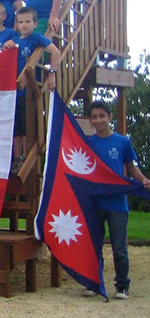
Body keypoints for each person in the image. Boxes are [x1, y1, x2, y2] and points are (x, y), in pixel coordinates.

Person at [84, 101, 150, 300]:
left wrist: (143, 180)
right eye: (94, 117)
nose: (98, 120)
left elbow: (130, 168)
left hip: (117, 203)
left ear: (110, 117)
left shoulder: (122, 142)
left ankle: (122, 285)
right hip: (95, 202)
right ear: (90, 120)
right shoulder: (88, 143)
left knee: (119, 248)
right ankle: (94, 282)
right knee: (94, 246)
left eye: (102, 116)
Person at [4, 6, 61, 169]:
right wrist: (6, 46)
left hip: (29, 89)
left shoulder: (37, 38)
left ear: (35, 24)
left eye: (28, 21)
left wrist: (52, 73)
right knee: (16, 125)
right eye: (20, 22)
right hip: (13, 89)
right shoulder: (14, 40)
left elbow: (55, 52)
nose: (24, 25)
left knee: (26, 124)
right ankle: (17, 158)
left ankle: (24, 156)